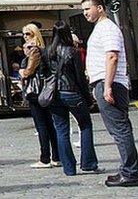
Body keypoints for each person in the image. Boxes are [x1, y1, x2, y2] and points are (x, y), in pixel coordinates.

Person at [83, 0, 138, 187]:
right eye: (83, 10)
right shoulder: (101, 28)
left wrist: (107, 85)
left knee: (120, 129)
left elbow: (112, 56)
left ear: (100, 8)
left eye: (88, 9)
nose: (85, 13)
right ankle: (127, 170)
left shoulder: (107, 28)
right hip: (105, 82)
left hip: (111, 83)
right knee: (118, 129)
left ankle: (130, 173)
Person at [45, 20, 98, 177]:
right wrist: (88, 98)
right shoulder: (72, 51)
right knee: (85, 125)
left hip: (54, 95)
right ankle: (88, 164)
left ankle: (69, 168)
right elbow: (80, 77)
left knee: (61, 130)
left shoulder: (47, 52)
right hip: (72, 92)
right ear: (67, 33)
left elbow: (44, 74)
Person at [20, 23, 60, 169]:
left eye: (28, 34)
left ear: (35, 34)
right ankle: (56, 156)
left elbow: (29, 71)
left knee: (42, 125)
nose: (25, 37)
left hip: (35, 91)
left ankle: (45, 158)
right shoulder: (41, 49)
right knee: (49, 124)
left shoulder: (34, 50)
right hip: (41, 90)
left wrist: (21, 72)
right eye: (24, 34)